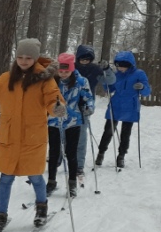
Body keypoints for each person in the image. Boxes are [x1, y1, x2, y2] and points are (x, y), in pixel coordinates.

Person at [0, 38, 65, 232]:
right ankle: (1, 216)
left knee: (36, 177)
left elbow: (53, 99)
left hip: (33, 137)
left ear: (35, 58)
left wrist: (57, 108)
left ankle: (41, 209)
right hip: (9, 137)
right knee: (5, 178)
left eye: (28, 58)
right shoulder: (6, 78)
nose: (23, 61)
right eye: (20, 57)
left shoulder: (44, 80)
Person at [47, 53, 95, 197]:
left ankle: (72, 183)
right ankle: (51, 181)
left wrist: (89, 107)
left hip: (73, 121)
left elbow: (89, 97)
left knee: (71, 153)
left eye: (66, 71)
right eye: (60, 71)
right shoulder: (52, 81)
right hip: (54, 121)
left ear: (72, 69)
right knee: (54, 152)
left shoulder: (81, 81)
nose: (63, 74)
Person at [95, 50, 150, 169]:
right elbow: (110, 89)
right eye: (118, 65)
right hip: (116, 105)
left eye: (123, 65)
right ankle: (101, 153)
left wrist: (142, 87)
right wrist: (105, 81)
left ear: (130, 64)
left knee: (125, 133)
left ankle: (121, 156)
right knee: (108, 131)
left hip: (130, 106)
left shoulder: (139, 74)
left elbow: (147, 91)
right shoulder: (116, 74)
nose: (120, 68)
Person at [74, 45, 103, 176]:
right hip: (70, 105)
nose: (85, 61)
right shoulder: (71, 68)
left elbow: (109, 81)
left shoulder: (95, 69)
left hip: (85, 105)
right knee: (64, 135)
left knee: (81, 136)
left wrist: (106, 70)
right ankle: (59, 157)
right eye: (82, 59)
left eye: (88, 59)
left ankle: (79, 164)